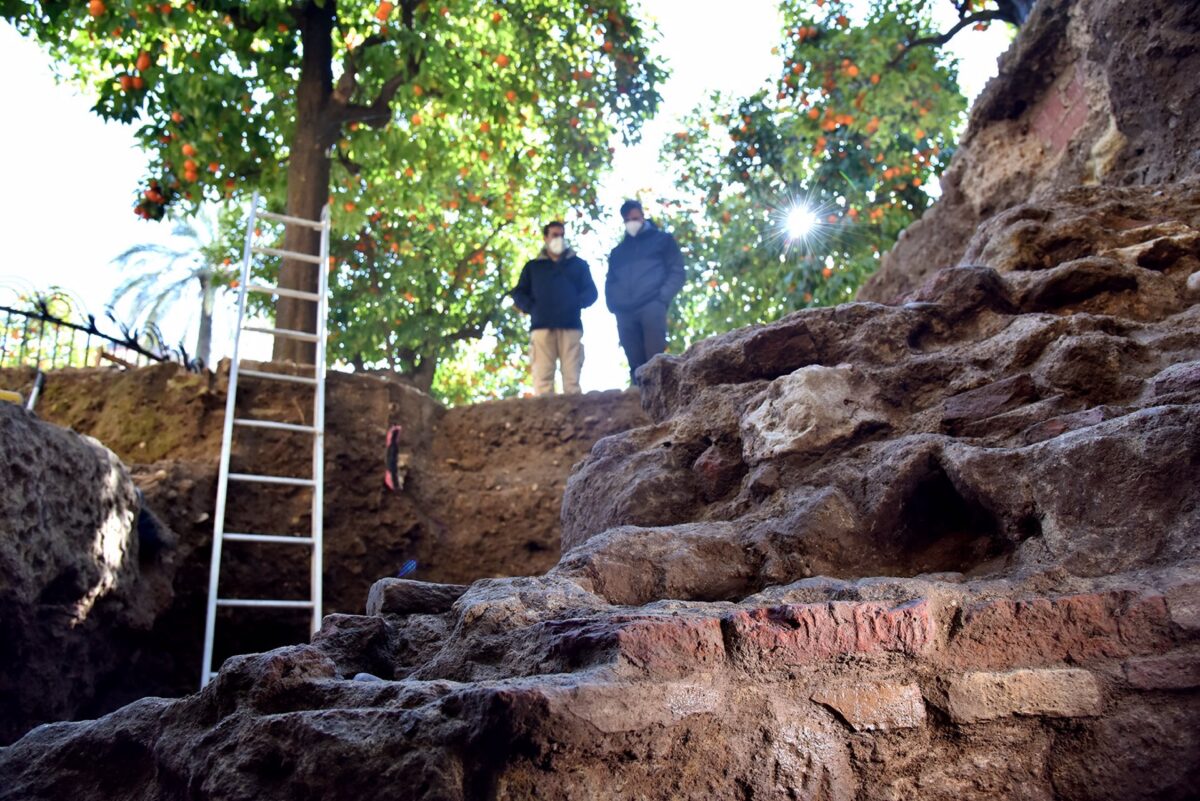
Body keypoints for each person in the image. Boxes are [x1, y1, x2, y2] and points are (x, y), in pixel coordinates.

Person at [510, 221, 598, 395]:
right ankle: (545, 421)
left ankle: (575, 419)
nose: (559, 239)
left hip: (571, 326)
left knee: (572, 382)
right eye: (555, 235)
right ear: (545, 238)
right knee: (542, 381)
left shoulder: (578, 265)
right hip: (541, 328)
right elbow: (518, 293)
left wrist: (574, 304)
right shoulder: (533, 267)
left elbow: (591, 293)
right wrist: (533, 308)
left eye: (562, 235)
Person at [605, 199, 686, 385]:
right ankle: (636, 403)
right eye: (627, 219)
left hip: (652, 305)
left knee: (655, 361)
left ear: (642, 216)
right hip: (624, 312)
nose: (632, 221)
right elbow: (610, 281)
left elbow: (677, 271)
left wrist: (661, 298)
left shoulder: (662, 240)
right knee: (635, 364)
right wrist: (614, 305)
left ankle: (660, 401)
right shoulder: (618, 252)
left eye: (635, 217)